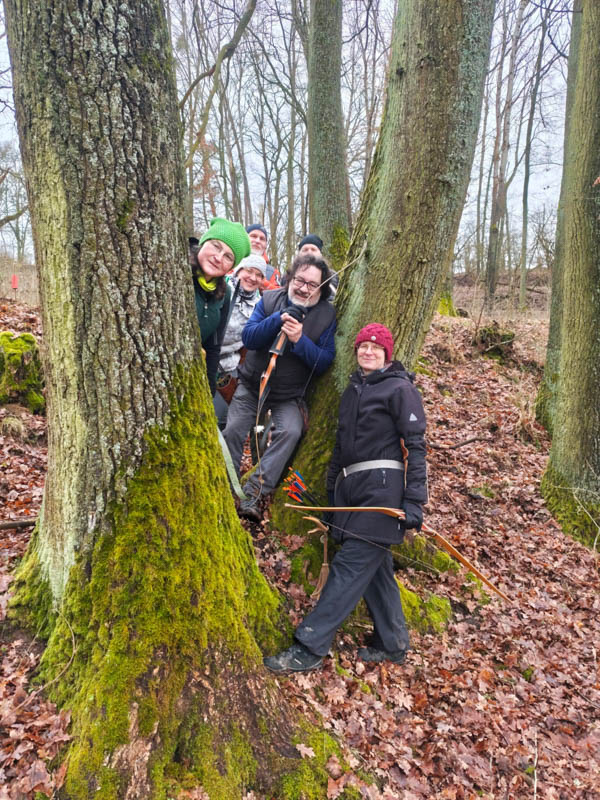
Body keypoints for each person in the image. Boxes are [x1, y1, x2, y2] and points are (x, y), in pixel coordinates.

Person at [263, 323, 427, 673]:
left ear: (387, 354)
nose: (368, 352)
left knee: (349, 567)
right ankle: (393, 643)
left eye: (376, 348)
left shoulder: (401, 389)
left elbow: (416, 447)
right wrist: (332, 500)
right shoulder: (353, 390)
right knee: (376, 570)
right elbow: (340, 450)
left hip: (384, 493)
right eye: (363, 347)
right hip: (353, 490)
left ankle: (309, 647)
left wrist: (414, 502)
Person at [224, 253, 337, 520]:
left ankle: (254, 491)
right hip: (252, 385)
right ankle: (228, 489)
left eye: (312, 284)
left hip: (288, 395)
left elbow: (324, 361)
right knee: (233, 431)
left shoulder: (326, 315)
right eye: (299, 280)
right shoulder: (270, 299)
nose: (304, 288)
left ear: (321, 288)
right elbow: (249, 337)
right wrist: (278, 319)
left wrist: (299, 340)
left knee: (290, 431)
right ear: (290, 278)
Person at [189, 217, 250, 395]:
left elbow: (213, 346)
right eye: (216, 246)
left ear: (232, 267)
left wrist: (209, 393)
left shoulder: (224, 293)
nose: (218, 258)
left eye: (228, 256)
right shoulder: (179, 274)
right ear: (203, 243)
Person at [213, 254, 267, 428]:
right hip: (203, 357)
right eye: (249, 271)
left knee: (220, 418)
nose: (253, 278)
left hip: (227, 368)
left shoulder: (260, 305)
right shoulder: (220, 288)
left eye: (259, 275)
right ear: (238, 271)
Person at [246, 223, 280, 290]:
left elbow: (279, 293)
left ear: (265, 245)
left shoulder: (272, 272)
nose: (257, 241)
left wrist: (264, 284)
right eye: (253, 236)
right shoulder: (231, 262)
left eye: (262, 239)